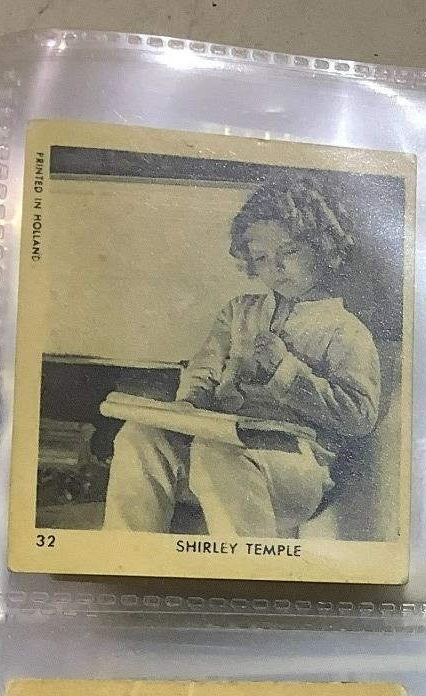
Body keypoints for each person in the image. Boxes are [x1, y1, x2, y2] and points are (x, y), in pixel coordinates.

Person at [102, 174, 383, 539]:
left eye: (289, 252)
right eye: (262, 258)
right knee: (139, 437)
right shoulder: (239, 311)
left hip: (295, 467)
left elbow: (360, 415)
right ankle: (127, 553)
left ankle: (245, 564)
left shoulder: (345, 329)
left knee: (217, 454)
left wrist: (286, 370)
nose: (276, 268)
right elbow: (204, 369)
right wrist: (189, 403)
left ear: (323, 246)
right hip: (216, 447)